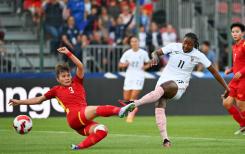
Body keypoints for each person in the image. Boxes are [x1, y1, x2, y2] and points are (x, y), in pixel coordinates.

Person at [8, 47, 134, 150]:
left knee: (102, 130)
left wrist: (69, 53)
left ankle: (79, 147)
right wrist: (19, 102)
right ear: (58, 79)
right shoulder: (56, 90)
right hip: (74, 116)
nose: (67, 78)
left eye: (68, 75)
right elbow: (38, 100)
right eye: (63, 76)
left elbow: (80, 66)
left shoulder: (77, 82)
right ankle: (120, 111)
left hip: (80, 123)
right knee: (95, 109)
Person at [120, 33, 229, 147]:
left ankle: (134, 104)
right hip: (164, 78)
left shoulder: (198, 55)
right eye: (185, 42)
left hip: (179, 84)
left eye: (189, 44)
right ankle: (165, 140)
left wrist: (227, 88)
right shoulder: (174, 46)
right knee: (159, 104)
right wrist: (155, 56)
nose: (186, 46)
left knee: (164, 88)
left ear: (194, 45)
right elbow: (156, 52)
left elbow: (215, 72)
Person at [119, 36, 150, 123]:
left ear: (138, 42)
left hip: (139, 76)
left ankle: (130, 115)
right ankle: (133, 109)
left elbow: (148, 63)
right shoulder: (127, 53)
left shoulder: (143, 53)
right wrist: (124, 65)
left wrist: (145, 66)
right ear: (130, 43)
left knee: (133, 97)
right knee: (126, 98)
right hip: (129, 76)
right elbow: (120, 64)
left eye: (136, 41)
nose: (134, 43)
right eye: (132, 41)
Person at [223, 22, 245, 135]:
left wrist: (241, 72)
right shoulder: (234, 47)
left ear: (243, 33)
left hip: (243, 79)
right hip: (235, 80)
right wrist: (231, 70)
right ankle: (243, 125)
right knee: (226, 103)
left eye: (237, 32)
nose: (235, 34)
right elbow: (238, 63)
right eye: (233, 32)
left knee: (241, 105)